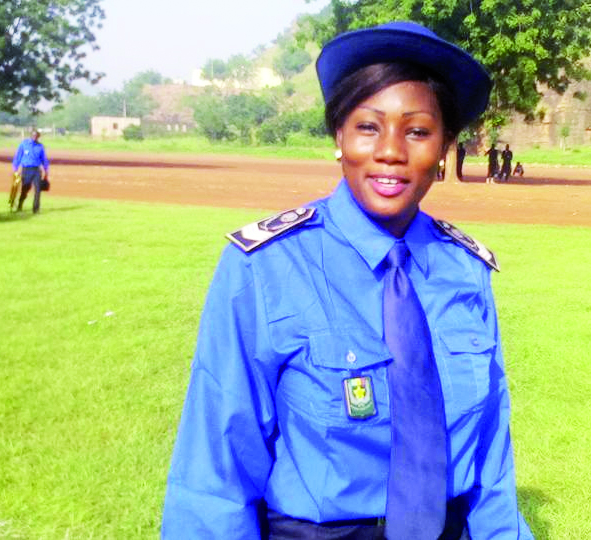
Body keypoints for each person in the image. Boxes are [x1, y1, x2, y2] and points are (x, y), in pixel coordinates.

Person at [162, 21, 533, 540]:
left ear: (445, 147)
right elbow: (216, 466)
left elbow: (492, 454)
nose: (391, 151)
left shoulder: (465, 270)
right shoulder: (265, 268)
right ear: (339, 136)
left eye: (418, 131)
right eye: (367, 127)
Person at [12, 128, 49, 214]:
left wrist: (46, 170)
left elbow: (44, 159)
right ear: (31, 136)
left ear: (38, 137)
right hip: (26, 170)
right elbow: (17, 157)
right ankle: (20, 205)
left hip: (36, 170)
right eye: (33, 135)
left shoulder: (40, 147)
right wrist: (15, 169)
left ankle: (36, 209)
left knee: (38, 190)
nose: (35, 137)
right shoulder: (24, 144)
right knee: (25, 189)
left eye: (36, 136)